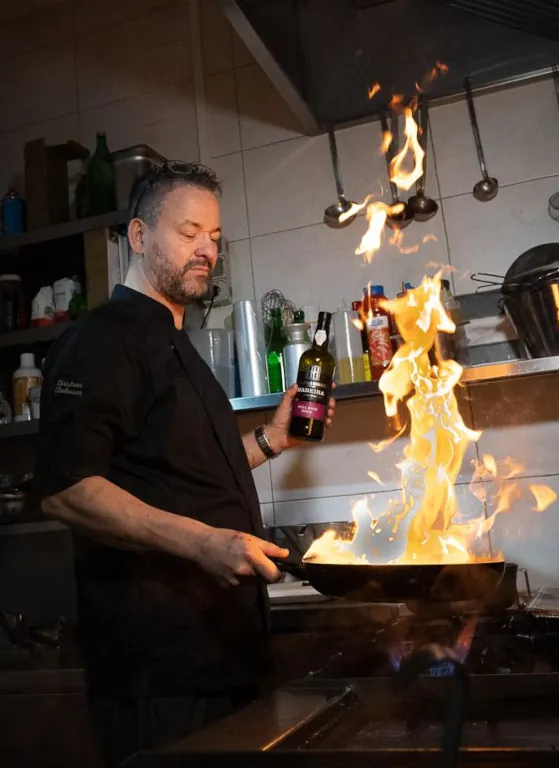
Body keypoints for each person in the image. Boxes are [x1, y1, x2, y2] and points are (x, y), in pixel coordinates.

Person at [35, 161, 336, 766]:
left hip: (221, 655)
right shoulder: (104, 339)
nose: (206, 251)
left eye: (215, 238)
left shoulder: (180, 347)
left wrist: (274, 440)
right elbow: (66, 488)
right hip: (159, 670)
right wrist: (203, 543)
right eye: (189, 232)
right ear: (140, 237)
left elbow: (187, 474)